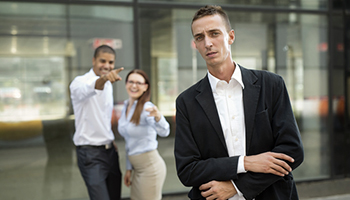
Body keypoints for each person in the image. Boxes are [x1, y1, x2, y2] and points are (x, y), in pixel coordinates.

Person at [174, 5, 304, 200]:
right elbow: (188, 170)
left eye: (214, 33)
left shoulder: (271, 84)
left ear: (231, 37)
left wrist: (237, 187)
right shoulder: (186, 102)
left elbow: (292, 151)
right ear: (196, 44)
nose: (208, 43)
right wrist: (245, 163)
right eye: (200, 37)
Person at [70, 45, 123, 200]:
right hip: (90, 154)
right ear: (93, 60)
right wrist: (105, 79)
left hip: (109, 151)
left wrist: (109, 137)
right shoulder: (79, 83)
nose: (107, 66)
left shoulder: (108, 85)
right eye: (102, 61)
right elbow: (92, 87)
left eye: (111, 62)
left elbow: (102, 115)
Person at [118, 69, 170, 200]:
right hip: (137, 168)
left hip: (150, 168)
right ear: (126, 84)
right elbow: (129, 142)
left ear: (145, 87)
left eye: (139, 83)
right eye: (131, 82)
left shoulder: (147, 107)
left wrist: (158, 117)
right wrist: (129, 169)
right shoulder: (125, 106)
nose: (134, 86)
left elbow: (165, 131)